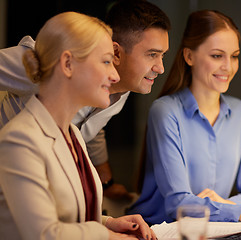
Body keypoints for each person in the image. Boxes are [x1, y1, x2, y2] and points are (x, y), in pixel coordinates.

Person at [126, 10, 241, 225]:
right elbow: (179, 205)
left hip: (212, 229)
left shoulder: (240, 112)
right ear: (189, 56)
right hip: (159, 232)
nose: (228, 66)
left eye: (234, 56)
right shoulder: (166, 111)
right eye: (217, 56)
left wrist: (223, 206)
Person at [0, 11, 157, 240]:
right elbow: (44, 234)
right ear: (67, 64)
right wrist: (109, 237)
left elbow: (65, 214)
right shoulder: (18, 140)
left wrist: (109, 223)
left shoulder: (73, 133)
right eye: (106, 61)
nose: (115, 75)